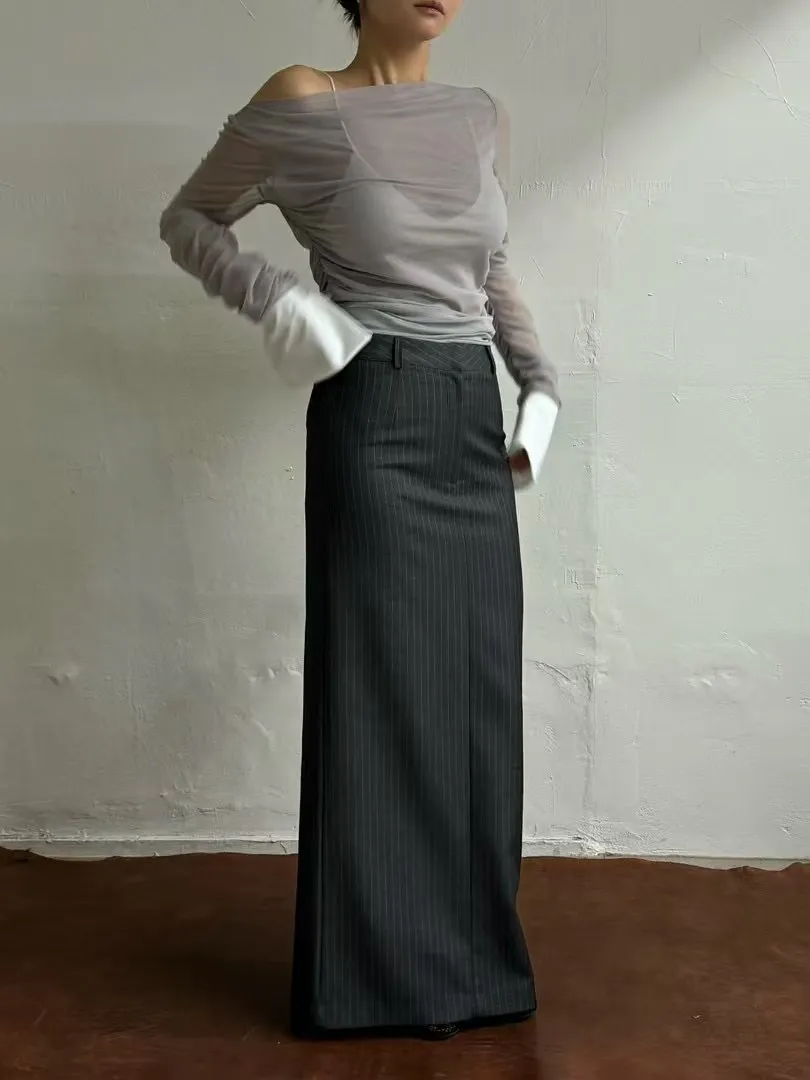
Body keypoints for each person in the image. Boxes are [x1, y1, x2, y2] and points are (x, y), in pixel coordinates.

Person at [159, 0, 560, 1043]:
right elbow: (190, 219)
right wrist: (279, 300)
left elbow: (489, 267)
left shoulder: (477, 115)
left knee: (475, 692)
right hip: (375, 406)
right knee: (383, 691)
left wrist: (540, 384)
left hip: (471, 406)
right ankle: (375, 981)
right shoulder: (305, 100)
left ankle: (476, 966)